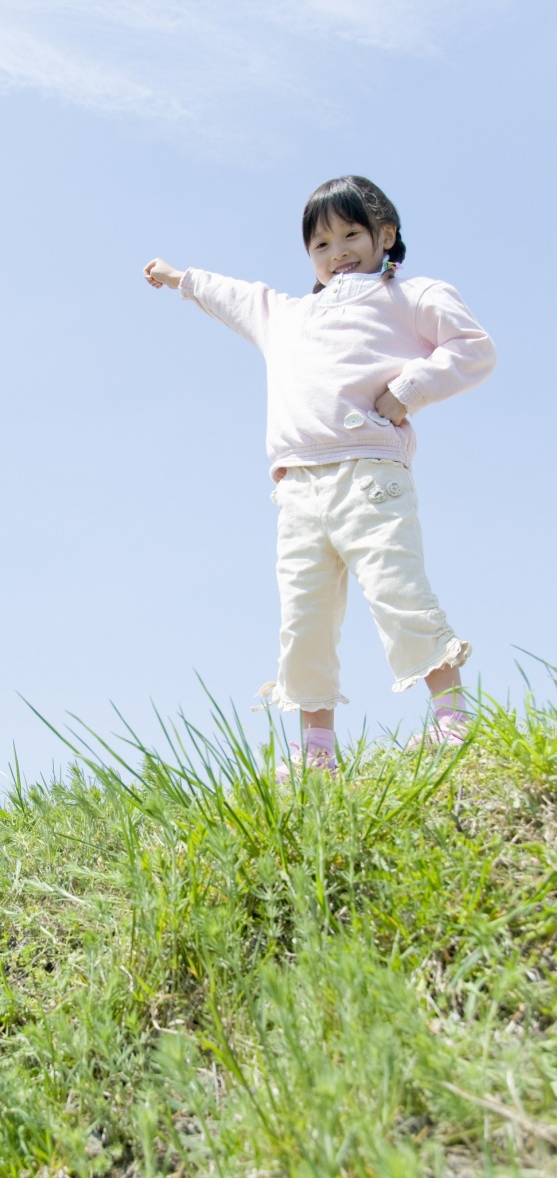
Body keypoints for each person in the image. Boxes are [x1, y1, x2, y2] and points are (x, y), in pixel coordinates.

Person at [143, 175, 496, 777]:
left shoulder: (409, 296)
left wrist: (407, 390)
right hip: (298, 489)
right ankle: (316, 755)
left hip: (369, 473)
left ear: (386, 234)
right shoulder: (287, 315)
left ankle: (452, 721)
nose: (338, 253)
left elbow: (472, 349)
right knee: (303, 619)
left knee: (397, 590)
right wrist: (181, 278)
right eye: (321, 244)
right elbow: (235, 294)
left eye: (352, 234)